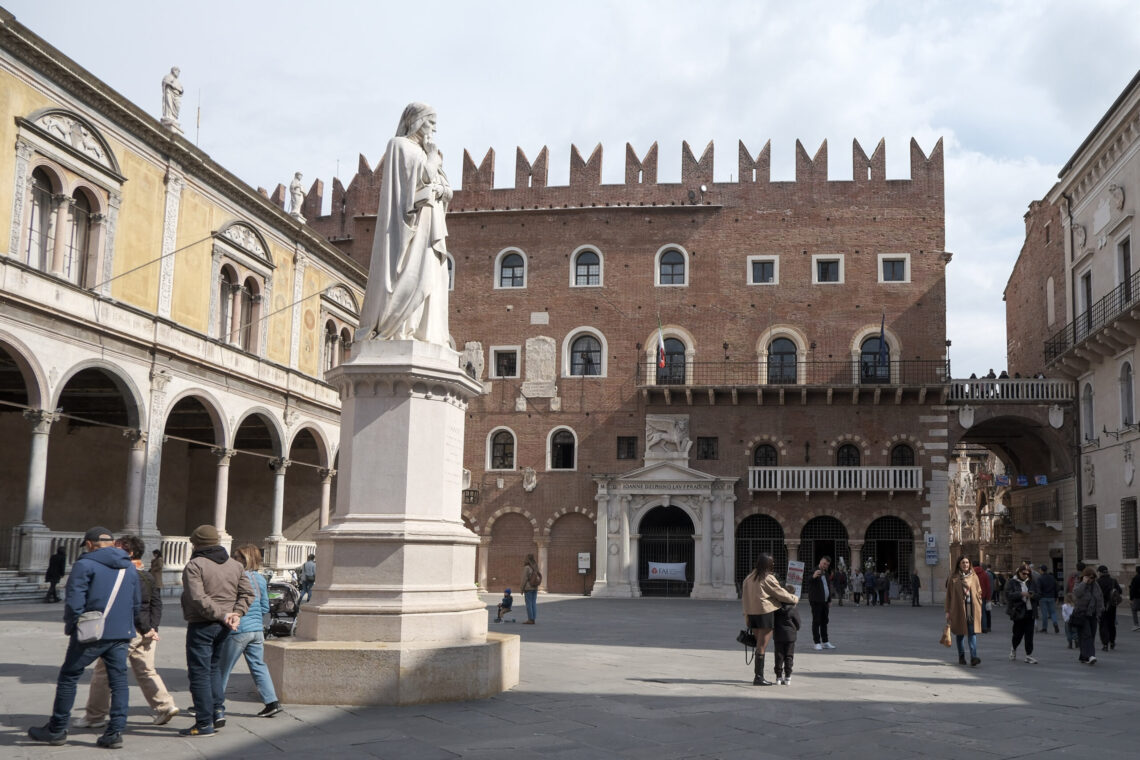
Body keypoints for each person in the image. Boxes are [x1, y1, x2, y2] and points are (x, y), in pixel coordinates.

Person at [28, 527, 141, 749]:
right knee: (119, 682)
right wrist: (127, 626)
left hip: (92, 632)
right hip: (120, 633)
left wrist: (73, 626)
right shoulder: (129, 566)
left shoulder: (84, 564)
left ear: (89, 544)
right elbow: (136, 603)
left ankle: (57, 728)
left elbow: (74, 601)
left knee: (69, 676)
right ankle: (115, 732)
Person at [355, 102, 452, 345]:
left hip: (431, 224)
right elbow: (417, 184)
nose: (434, 129)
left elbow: (445, 189)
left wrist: (440, 186)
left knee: (431, 277)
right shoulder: (399, 146)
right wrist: (431, 160)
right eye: (431, 122)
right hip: (410, 226)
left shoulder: (428, 152)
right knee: (413, 275)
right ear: (416, 120)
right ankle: (399, 328)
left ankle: (423, 331)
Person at [77, 535, 179, 730]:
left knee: (103, 671)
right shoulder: (147, 575)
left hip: (130, 630)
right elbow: (156, 604)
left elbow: (137, 606)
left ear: (130, 553)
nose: (114, 551)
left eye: (118, 548)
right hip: (147, 631)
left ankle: (95, 715)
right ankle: (165, 705)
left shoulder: (127, 574)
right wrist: (153, 628)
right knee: (146, 670)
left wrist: (146, 628)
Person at [180, 524, 254, 737]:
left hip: (203, 623)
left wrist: (223, 614)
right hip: (226, 626)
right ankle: (217, 710)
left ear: (197, 544)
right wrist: (235, 614)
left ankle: (203, 723)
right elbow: (247, 594)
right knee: (213, 669)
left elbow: (197, 598)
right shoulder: (235, 565)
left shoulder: (196, 565)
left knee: (199, 673)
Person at [219, 545, 282, 719]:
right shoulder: (260, 579)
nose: (233, 559)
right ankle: (272, 703)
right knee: (259, 666)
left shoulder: (236, 577)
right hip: (256, 630)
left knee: (221, 669)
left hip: (238, 629)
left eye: (236, 557)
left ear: (244, 559)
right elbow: (264, 607)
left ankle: (212, 703)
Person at [741, 553, 798, 686]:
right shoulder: (767, 578)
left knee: (759, 645)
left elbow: (744, 599)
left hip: (752, 615)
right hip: (764, 614)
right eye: (772, 563)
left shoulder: (748, 578)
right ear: (767, 564)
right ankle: (759, 677)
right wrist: (794, 598)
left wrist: (746, 616)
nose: (773, 565)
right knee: (762, 646)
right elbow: (780, 593)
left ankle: (758, 675)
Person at [945, 555, 983, 666]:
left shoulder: (974, 577)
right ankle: (961, 657)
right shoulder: (953, 577)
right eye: (963, 562)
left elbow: (979, 590)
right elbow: (948, 596)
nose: (965, 564)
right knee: (960, 633)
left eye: (967, 562)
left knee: (972, 633)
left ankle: (973, 657)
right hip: (958, 610)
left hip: (972, 609)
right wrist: (947, 611)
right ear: (959, 564)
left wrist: (979, 601)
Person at [1006, 564, 1038, 664]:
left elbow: (1039, 594)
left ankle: (1028, 655)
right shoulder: (1012, 582)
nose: (1026, 575)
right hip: (1018, 612)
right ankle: (1014, 648)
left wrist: (1033, 595)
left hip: (1030, 611)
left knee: (1029, 634)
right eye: (1024, 573)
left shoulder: (1031, 582)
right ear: (1019, 572)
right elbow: (1008, 595)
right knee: (1018, 634)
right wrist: (1021, 594)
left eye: (1028, 574)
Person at [1072, 566, 1104, 664]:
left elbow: (1100, 598)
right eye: (1089, 577)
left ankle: (1083, 656)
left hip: (1093, 614)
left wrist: (1100, 611)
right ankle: (1091, 655)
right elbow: (1077, 593)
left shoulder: (1096, 585)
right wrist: (1084, 583)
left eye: (1092, 577)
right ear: (1084, 576)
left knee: (1090, 635)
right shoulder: (1079, 583)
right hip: (1082, 614)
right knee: (1087, 635)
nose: (1091, 579)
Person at [772, 584, 801, 685]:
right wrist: (795, 629)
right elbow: (798, 623)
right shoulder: (793, 608)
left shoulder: (775, 607)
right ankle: (788, 676)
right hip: (790, 636)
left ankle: (778, 677)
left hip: (778, 635)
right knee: (789, 656)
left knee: (778, 655)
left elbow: (772, 622)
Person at [807, 556, 836, 650]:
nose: (825, 566)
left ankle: (825, 641)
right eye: (824, 563)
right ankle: (817, 642)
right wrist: (813, 576)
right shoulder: (813, 570)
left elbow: (828, 587)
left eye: (827, 565)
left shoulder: (826, 573)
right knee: (816, 621)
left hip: (825, 601)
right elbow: (808, 580)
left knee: (824, 621)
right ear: (820, 561)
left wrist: (829, 600)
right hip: (816, 601)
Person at [1095, 565, 1121, 651]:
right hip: (1112, 606)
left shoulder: (1097, 582)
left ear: (1100, 572)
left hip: (1101, 606)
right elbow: (1119, 591)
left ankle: (1105, 644)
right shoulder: (1113, 581)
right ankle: (1112, 641)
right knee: (1111, 624)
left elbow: (1095, 594)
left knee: (1103, 625)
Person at [1036, 565, 1059, 633]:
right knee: (1053, 612)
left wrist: (1038, 597)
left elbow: (1038, 588)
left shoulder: (1040, 578)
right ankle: (1055, 622)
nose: (1039, 570)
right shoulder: (1052, 577)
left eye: (1039, 569)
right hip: (1051, 597)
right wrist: (1056, 596)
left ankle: (1044, 628)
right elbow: (1056, 588)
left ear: (1041, 570)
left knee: (1044, 614)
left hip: (1043, 597)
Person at [521, 554, 541, 624]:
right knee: (533, 603)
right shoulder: (535, 567)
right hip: (535, 587)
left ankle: (530, 619)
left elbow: (524, 579)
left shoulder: (527, 567)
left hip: (528, 588)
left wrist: (521, 589)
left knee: (529, 604)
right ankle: (533, 618)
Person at [973, 563, 992, 632]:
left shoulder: (971, 574)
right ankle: (984, 628)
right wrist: (988, 597)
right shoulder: (985, 574)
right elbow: (988, 587)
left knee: (974, 612)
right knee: (983, 612)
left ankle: (975, 628)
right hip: (982, 596)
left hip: (973, 595)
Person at [1130, 565, 1140, 632]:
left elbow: (1132, 589)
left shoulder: (1135, 578)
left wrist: (1131, 598)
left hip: (1137, 597)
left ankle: (1136, 625)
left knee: (1134, 610)